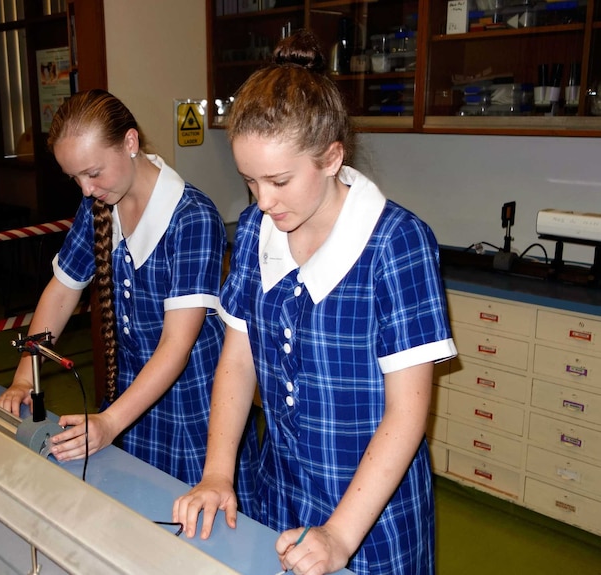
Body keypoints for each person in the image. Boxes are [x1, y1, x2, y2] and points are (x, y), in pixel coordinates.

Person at [172, 30, 457, 575]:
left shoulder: (395, 243)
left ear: (330, 158)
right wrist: (217, 472)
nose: (263, 201)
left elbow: (407, 411)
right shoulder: (259, 227)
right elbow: (238, 359)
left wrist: (340, 537)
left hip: (367, 518)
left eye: (279, 180)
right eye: (250, 181)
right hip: (275, 495)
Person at [0, 89, 230, 486]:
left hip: (192, 413)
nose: (86, 190)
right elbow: (62, 291)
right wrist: (24, 375)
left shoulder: (193, 218)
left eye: (93, 173)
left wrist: (109, 423)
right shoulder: (99, 204)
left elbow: (176, 346)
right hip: (127, 402)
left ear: (130, 143)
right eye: (76, 178)